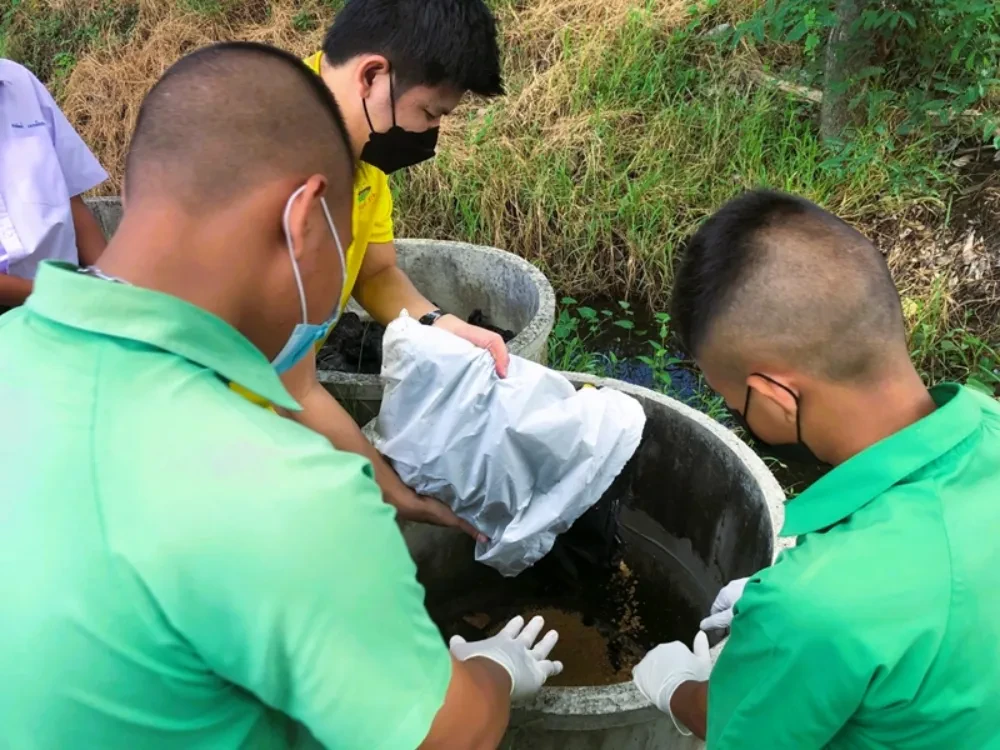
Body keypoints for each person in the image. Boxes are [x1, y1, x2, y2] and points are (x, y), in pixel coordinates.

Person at [0, 42, 562, 749]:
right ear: (302, 222)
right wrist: (495, 674)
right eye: (341, 245)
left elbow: (297, 385)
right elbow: (448, 737)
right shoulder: (287, 492)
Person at [633, 190, 1000, 747]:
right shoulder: (990, 422)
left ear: (776, 398)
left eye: (733, 402)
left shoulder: (817, 608)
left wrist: (677, 687)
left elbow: (740, 724)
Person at [249, 0, 508, 541]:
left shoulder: (360, 153)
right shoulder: (267, 155)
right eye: (431, 114)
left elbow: (375, 273)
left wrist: (441, 324)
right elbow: (289, 380)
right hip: (220, 433)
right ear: (372, 76)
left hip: (275, 403)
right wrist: (390, 491)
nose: (431, 134)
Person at [0, 57, 108, 311]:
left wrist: (110, 284)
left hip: (66, 298)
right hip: (58, 297)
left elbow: (72, 201)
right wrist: (68, 294)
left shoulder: (19, 82)